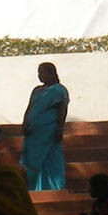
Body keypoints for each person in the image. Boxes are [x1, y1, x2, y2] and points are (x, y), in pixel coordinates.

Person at [20, 62, 69, 191]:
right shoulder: (37, 90)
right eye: (39, 73)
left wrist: (59, 129)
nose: (40, 75)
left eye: (42, 72)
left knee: (50, 158)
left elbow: (62, 110)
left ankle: (53, 188)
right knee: (31, 160)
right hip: (33, 133)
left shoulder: (59, 90)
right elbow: (29, 107)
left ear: (51, 73)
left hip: (48, 131)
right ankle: (33, 187)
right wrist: (25, 122)